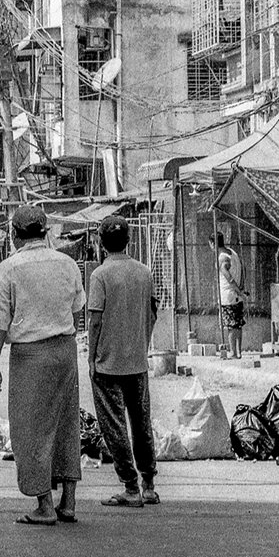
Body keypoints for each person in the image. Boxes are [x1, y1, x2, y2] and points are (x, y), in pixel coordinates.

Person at [0, 206, 86, 526]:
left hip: (30, 356)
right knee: (66, 423)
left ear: (15, 235)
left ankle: (44, 504)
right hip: (65, 351)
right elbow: (77, 310)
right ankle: (68, 502)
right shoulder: (67, 263)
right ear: (45, 232)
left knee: (31, 429)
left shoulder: (9, 268)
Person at [85, 218, 158, 510]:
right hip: (137, 361)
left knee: (114, 426)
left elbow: (95, 320)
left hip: (107, 365)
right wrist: (143, 342)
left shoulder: (100, 275)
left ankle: (130, 487)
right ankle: (149, 484)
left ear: (101, 243)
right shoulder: (144, 272)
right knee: (141, 423)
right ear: (128, 240)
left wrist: (91, 357)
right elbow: (152, 314)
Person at [216, 230, 246, 358]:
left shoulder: (222, 257)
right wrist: (242, 289)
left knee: (231, 325)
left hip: (228, 296)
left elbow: (229, 278)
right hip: (237, 296)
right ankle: (238, 352)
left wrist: (239, 290)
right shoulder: (233, 253)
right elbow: (243, 269)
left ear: (213, 244)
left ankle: (233, 352)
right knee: (238, 324)